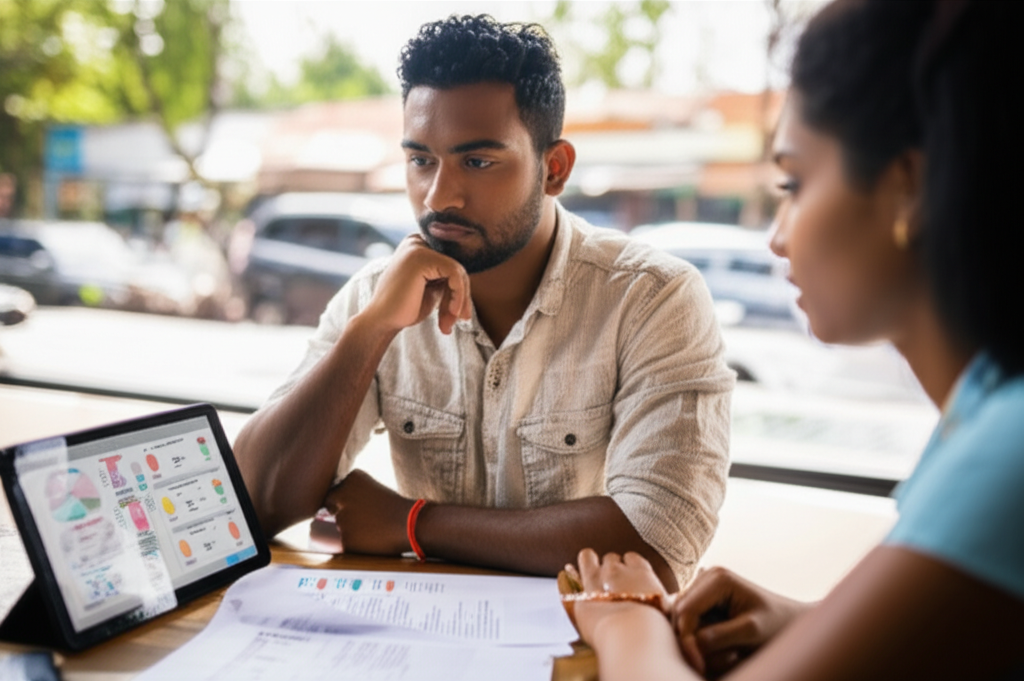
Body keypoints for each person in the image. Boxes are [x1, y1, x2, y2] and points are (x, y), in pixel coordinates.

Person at [570, 0, 1024, 678]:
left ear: (910, 186)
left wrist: (627, 622)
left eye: (794, 183)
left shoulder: (1007, 449)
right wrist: (805, 619)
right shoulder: (988, 404)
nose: (776, 235)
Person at [233, 15, 734, 591]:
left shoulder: (652, 298)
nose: (439, 195)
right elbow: (252, 503)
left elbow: (658, 546)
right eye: (421, 160)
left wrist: (412, 524)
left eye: (477, 161)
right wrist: (371, 331)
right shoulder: (376, 297)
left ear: (554, 169)